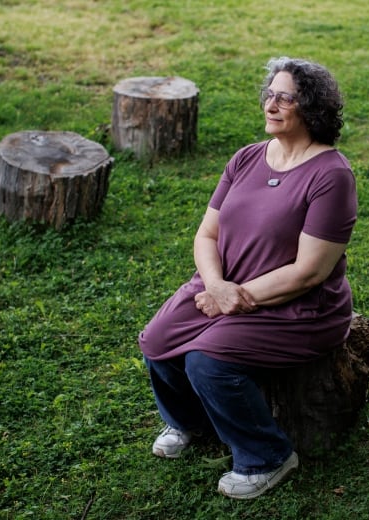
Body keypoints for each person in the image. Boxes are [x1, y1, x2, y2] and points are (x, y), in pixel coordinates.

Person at [138, 56, 357, 500]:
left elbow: (309, 271)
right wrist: (216, 286)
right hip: (224, 283)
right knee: (157, 341)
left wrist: (234, 298)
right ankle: (190, 421)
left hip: (300, 307)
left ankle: (268, 456)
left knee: (208, 361)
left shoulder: (331, 175)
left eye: (285, 98)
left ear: (311, 109)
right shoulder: (247, 158)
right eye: (269, 94)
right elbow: (207, 233)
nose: (271, 105)